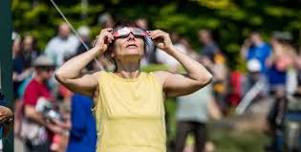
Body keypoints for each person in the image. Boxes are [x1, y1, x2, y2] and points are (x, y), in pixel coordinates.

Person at [55, 21, 212, 152]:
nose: (131, 37)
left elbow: (204, 77)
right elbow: (63, 74)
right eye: (123, 35)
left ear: (144, 48)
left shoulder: (158, 80)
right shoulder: (101, 81)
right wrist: (96, 50)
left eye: (137, 35)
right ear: (111, 52)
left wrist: (171, 49)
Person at [21, 56, 66, 152]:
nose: (51, 72)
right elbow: (29, 112)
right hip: (36, 138)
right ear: (38, 70)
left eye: (52, 69)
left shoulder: (45, 85)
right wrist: (51, 126)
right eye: (47, 69)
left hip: (45, 137)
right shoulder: (32, 86)